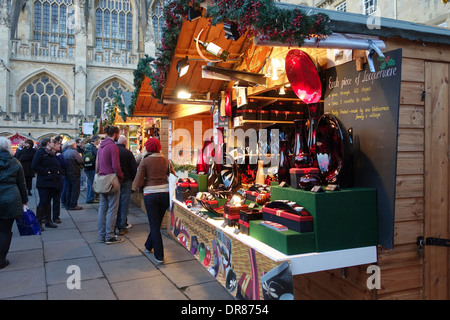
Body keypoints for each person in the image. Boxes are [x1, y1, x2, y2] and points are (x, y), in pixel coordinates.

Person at [132, 137, 173, 264]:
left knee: (154, 225)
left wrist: (135, 188)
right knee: (157, 223)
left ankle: (159, 256)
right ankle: (148, 245)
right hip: (165, 193)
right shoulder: (165, 160)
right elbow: (172, 174)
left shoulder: (145, 161)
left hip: (151, 194)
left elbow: (138, 180)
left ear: (148, 148)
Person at [0, 137, 28, 269]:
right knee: (5, 230)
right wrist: (24, 201)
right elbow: (22, 184)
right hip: (10, 197)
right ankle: (1, 260)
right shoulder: (15, 162)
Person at [97, 125, 124, 244]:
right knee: (113, 209)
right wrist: (120, 177)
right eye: (118, 134)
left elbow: (97, 165)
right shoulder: (113, 146)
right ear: (116, 134)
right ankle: (109, 236)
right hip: (112, 180)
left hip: (102, 179)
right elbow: (116, 166)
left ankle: (102, 235)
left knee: (102, 208)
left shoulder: (101, 146)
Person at [31, 137, 62, 230]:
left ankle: (48, 221)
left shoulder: (51, 153)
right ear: (48, 143)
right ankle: (39, 222)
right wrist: (46, 171)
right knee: (43, 201)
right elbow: (34, 166)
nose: (54, 143)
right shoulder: (41, 152)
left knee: (48, 201)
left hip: (52, 181)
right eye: (52, 142)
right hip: (44, 182)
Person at [116, 135, 137, 235]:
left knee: (114, 203)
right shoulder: (128, 153)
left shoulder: (113, 150)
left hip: (114, 180)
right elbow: (133, 168)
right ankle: (122, 225)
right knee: (124, 203)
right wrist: (132, 179)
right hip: (126, 180)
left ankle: (114, 223)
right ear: (125, 143)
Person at [63, 140, 83, 210]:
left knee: (68, 189)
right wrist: (80, 156)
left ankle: (67, 204)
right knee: (75, 189)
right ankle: (73, 204)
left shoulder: (64, 152)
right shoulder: (74, 152)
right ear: (73, 145)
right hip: (74, 172)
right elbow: (80, 161)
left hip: (67, 173)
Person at [84, 135, 100, 204]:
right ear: (95, 141)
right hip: (92, 168)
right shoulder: (93, 148)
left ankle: (89, 197)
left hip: (87, 167)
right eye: (98, 141)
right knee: (92, 183)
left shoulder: (87, 147)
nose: (99, 142)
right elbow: (98, 156)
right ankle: (90, 198)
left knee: (89, 183)